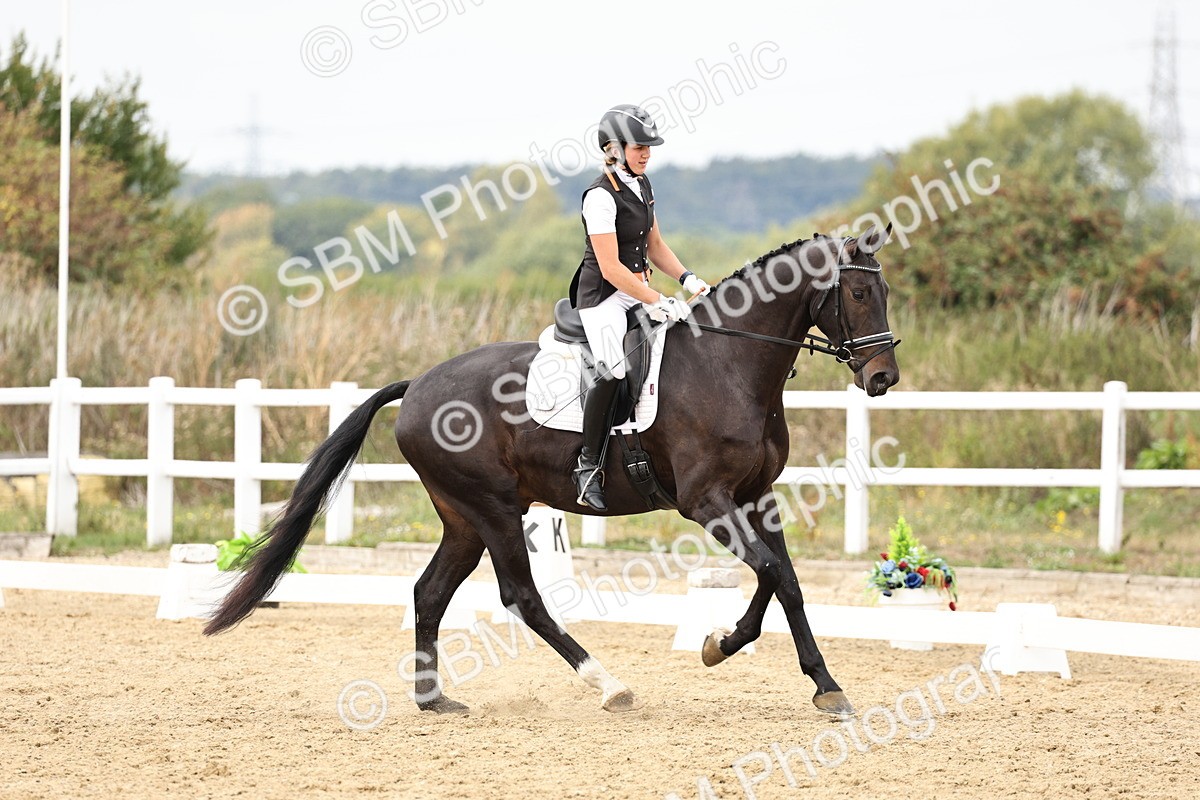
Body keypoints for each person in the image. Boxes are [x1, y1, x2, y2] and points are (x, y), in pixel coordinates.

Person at [567, 104, 711, 511]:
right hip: (603, 298)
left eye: (649, 146)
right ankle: (588, 465)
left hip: (637, 289)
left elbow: (655, 246)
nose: (646, 153)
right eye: (638, 147)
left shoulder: (643, 186)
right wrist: (658, 300)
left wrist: (687, 279)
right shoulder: (599, 197)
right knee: (613, 369)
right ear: (613, 148)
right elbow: (611, 267)